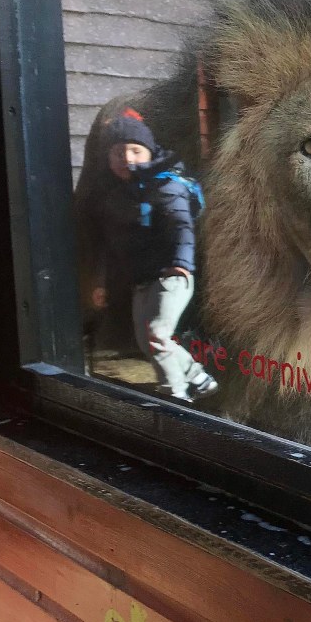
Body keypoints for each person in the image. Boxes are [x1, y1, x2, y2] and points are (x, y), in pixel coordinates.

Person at [91, 107, 218, 401]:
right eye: (118, 153)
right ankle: (198, 377)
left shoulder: (166, 185)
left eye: (135, 150)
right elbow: (112, 246)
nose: (127, 159)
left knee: (158, 335)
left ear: (148, 151)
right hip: (142, 281)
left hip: (172, 277)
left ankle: (175, 396)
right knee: (147, 342)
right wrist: (102, 283)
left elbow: (182, 228)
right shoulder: (116, 196)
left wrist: (180, 265)